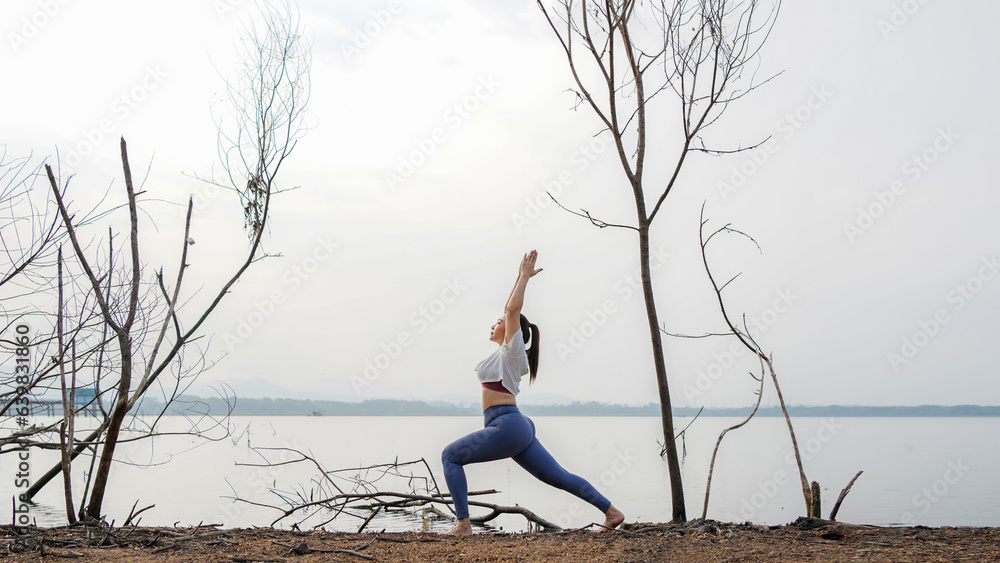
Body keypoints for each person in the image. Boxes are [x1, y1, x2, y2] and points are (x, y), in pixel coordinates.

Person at [440, 250, 625, 536]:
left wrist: (525, 278)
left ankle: (464, 525)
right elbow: (509, 309)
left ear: (514, 332)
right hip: (513, 426)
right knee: (558, 477)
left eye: (498, 322)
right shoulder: (505, 355)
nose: (494, 324)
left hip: (507, 425)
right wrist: (518, 276)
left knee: (450, 456)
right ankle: (611, 512)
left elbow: (512, 310)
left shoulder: (514, 353)